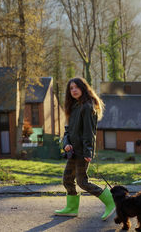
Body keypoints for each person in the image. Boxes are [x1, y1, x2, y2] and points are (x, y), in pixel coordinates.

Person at [55, 77, 115, 220]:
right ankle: (71, 208)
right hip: (73, 151)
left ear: (83, 88)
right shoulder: (73, 107)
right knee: (67, 179)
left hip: (82, 152)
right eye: (71, 88)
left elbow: (89, 132)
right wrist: (66, 144)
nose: (74, 90)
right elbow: (67, 131)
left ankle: (111, 202)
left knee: (82, 182)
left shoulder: (88, 107)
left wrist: (88, 151)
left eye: (76, 87)